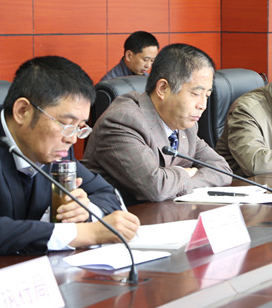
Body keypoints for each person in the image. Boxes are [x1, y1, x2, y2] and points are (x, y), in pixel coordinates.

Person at [0, 56, 140, 256]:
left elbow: (107, 193)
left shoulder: (57, 147)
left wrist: (86, 210)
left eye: (79, 127)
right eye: (66, 124)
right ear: (22, 111)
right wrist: (86, 233)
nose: (72, 138)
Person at [83, 44, 231, 204]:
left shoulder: (185, 125)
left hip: (169, 213)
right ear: (162, 88)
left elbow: (222, 169)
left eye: (207, 96)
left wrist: (180, 178)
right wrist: (186, 173)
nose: (202, 105)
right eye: (195, 94)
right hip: (122, 216)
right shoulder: (123, 121)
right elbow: (156, 187)